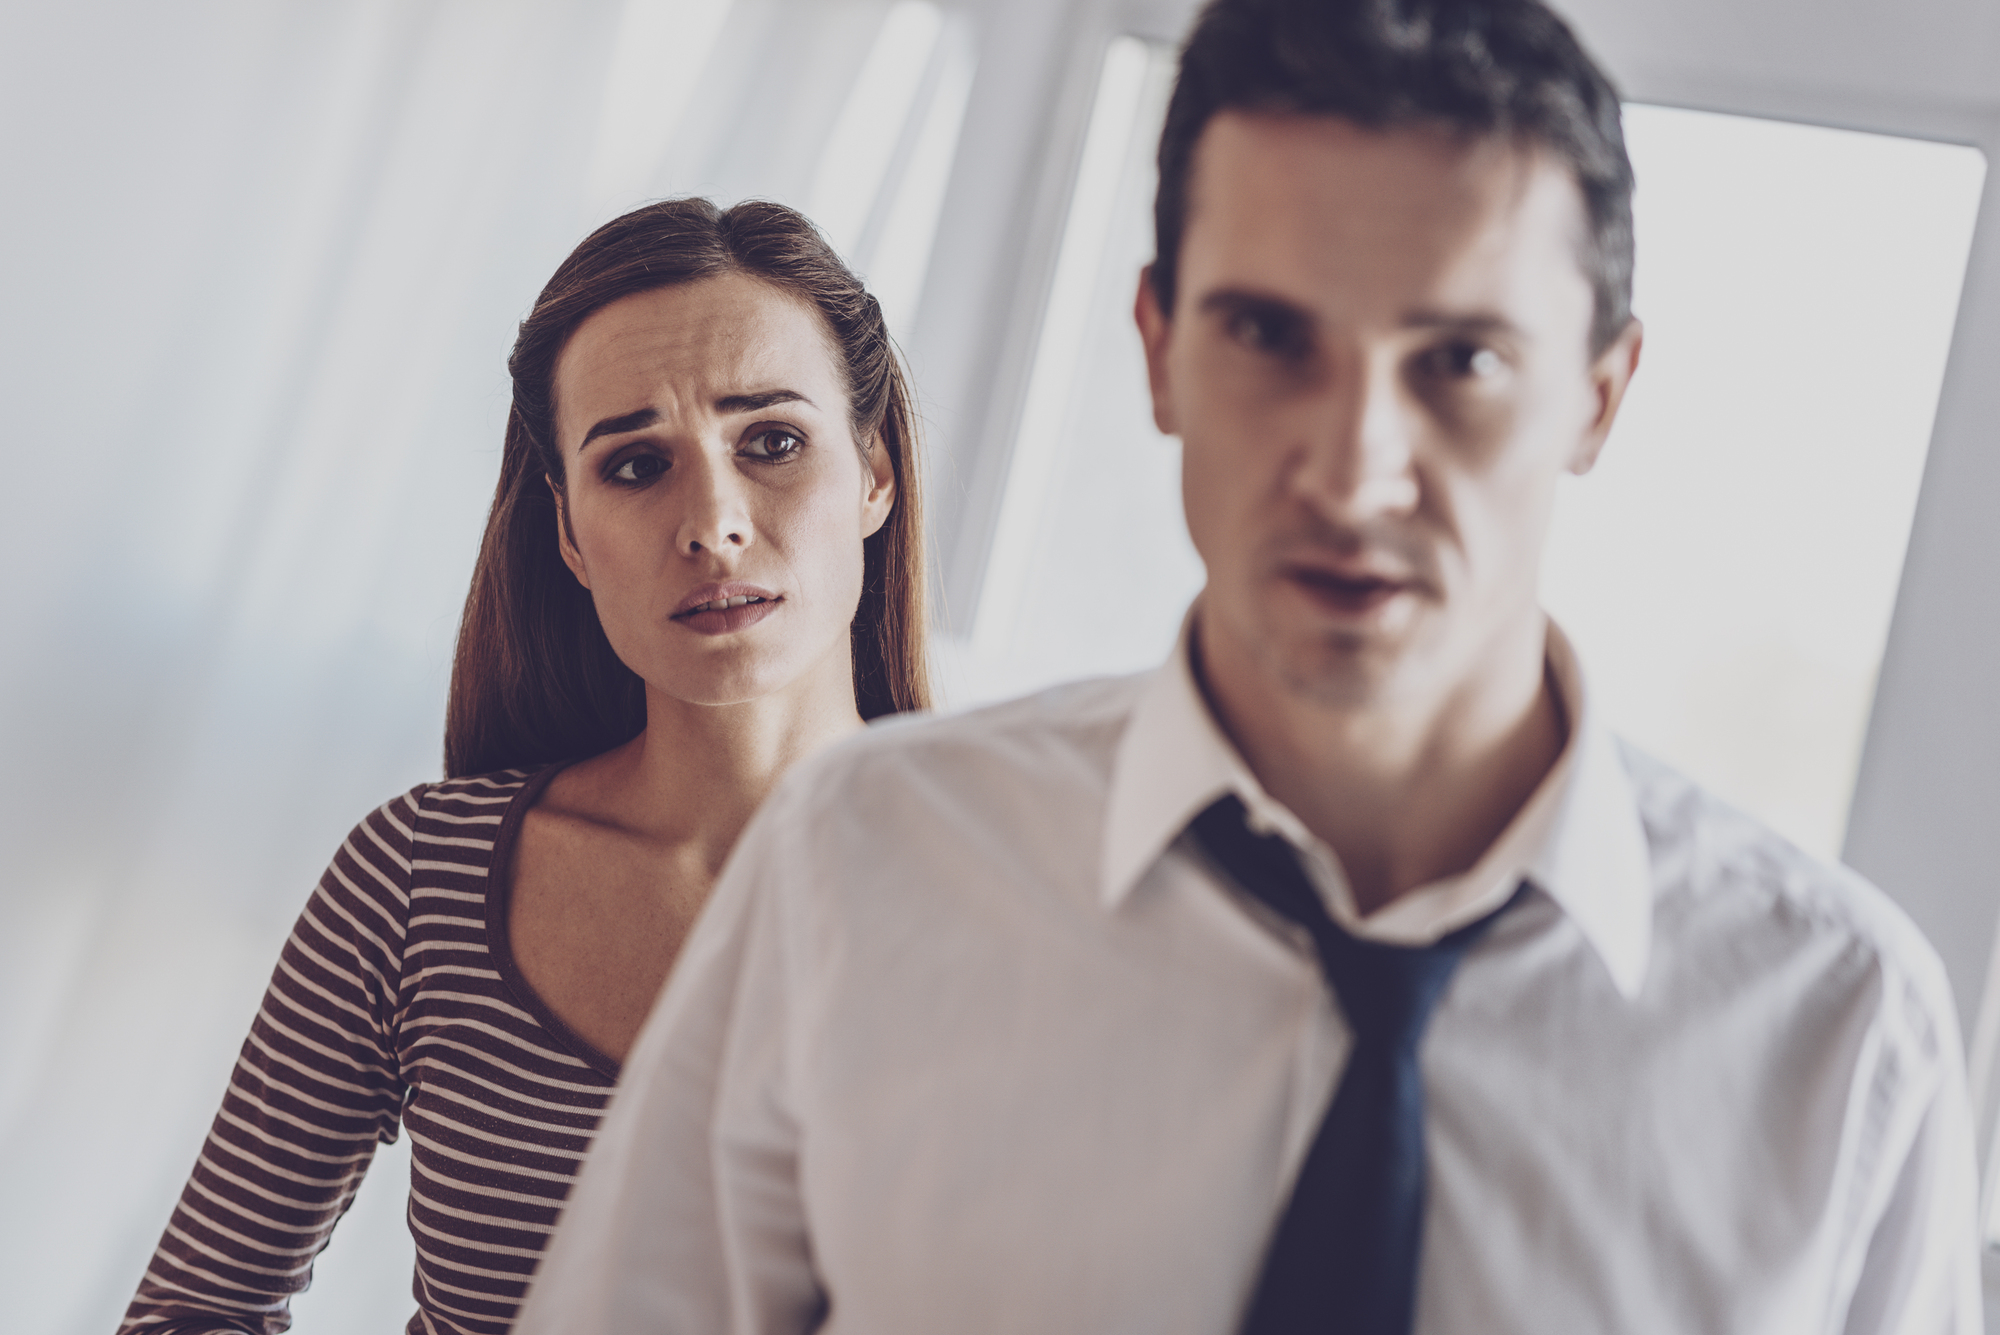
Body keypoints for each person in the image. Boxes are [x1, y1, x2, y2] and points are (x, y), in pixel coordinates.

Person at [516, 1, 1981, 1331]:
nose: (1352, 470)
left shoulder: (1843, 1037)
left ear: (1600, 395)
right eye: (1270, 334)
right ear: (1156, 349)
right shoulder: (858, 869)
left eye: (1459, 361)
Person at [119, 197, 931, 1335]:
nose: (712, 523)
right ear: (567, 533)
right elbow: (195, 1308)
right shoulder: (418, 879)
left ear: (875, 475)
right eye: (637, 465)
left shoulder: (1034, 885)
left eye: (773, 441)